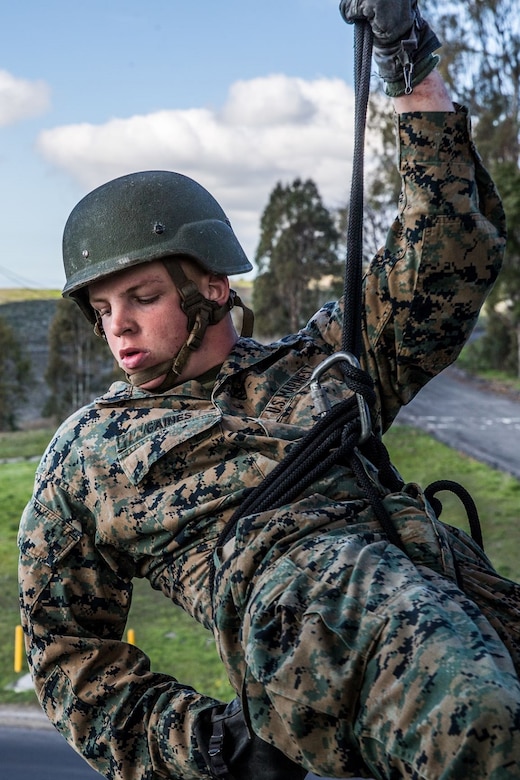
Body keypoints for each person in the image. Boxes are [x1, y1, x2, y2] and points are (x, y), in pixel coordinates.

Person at [18, 2, 520, 779]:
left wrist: (407, 61)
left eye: (142, 297)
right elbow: (67, 657)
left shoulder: (323, 358)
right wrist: (208, 749)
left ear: (210, 288)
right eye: (102, 309)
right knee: (478, 716)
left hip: (462, 602)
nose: (118, 327)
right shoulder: (87, 455)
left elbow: (448, 251)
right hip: (326, 623)